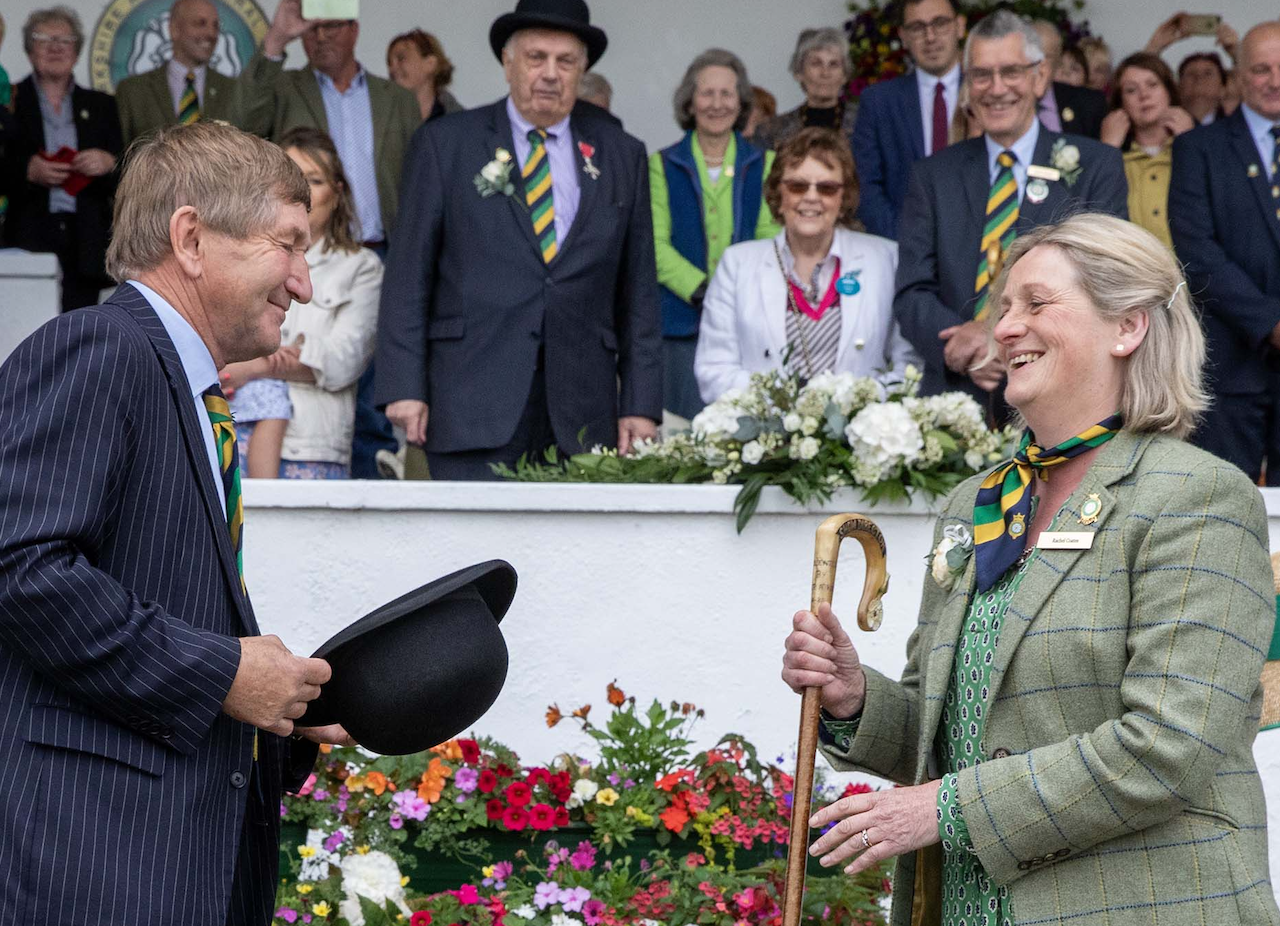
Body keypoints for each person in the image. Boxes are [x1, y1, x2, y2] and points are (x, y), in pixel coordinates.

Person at [783, 212, 1280, 926]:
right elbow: (946, 733)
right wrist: (854, 697)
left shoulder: (1196, 497)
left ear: (1127, 328)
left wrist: (945, 808)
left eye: (1036, 304)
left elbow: (1168, 749)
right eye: (1003, 309)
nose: (1005, 328)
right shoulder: (978, 502)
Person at [0, 120, 353, 926]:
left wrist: (283, 710)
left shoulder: (191, 392)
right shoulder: (99, 350)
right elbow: (18, 568)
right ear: (191, 237)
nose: (303, 283)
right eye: (288, 245)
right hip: (90, 870)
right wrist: (222, 673)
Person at [376, 0, 661, 480]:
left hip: (583, 414)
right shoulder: (446, 144)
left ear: (581, 70)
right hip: (470, 401)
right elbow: (408, 275)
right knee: (476, 553)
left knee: (575, 554)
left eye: (565, 61)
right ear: (508, 65)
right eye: (536, 58)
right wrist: (405, 385)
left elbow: (638, 290)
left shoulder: (620, 153)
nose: (550, 73)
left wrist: (640, 403)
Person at [894, 10, 1127, 407]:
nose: (996, 88)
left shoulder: (1095, 165)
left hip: (1060, 394)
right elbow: (912, 291)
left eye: (1011, 72)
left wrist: (998, 339)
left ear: (1039, 77)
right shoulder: (932, 175)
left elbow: (1102, 284)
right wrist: (962, 344)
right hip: (956, 399)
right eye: (981, 75)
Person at [238, 0, 418, 479]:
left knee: (374, 400)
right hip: (299, 245)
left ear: (355, 29)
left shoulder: (394, 98)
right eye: (312, 29)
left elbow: (419, 178)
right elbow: (237, 129)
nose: (320, 37)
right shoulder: (285, 85)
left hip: (383, 251)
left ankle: (367, 489)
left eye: (331, 26)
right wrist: (276, 40)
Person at [695, 127, 917, 400]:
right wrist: (791, 408)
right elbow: (714, 370)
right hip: (763, 435)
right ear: (778, 194)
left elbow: (910, 367)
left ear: (844, 198)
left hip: (861, 435)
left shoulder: (886, 259)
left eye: (826, 188)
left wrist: (852, 409)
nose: (811, 197)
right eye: (798, 186)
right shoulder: (737, 264)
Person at [223, 126, 382, 479]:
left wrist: (259, 366)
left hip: (311, 445)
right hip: (232, 431)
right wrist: (280, 360)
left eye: (313, 180)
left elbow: (343, 361)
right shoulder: (241, 256)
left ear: (338, 193)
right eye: (291, 180)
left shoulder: (361, 267)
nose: (302, 195)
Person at [1168, 21, 1280, 484]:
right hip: (1233, 369)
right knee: (1224, 512)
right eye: (1261, 69)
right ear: (1237, 75)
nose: (1275, 80)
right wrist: (1270, 323)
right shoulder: (1199, 148)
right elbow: (1197, 250)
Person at [652, 48, 779, 421]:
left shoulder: (766, 164)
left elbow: (770, 240)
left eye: (727, 94)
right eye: (707, 93)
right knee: (681, 434)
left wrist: (733, 295)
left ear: (741, 103)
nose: (717, 104)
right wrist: (702, 289)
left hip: (748, 326)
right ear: (690, 101)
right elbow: (655, 245)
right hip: (678, 329)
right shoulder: (660, 165)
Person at [4, 7, 121, 314]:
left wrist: (109, 162)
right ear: (29, 49)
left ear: (78, 50)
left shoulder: (102, 105)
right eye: (44, 38)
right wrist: (26, 170)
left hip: (86, 244)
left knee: (78, 339)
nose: (55, 47)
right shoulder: (9, 100)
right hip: (26, 239)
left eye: (65, 40)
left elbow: (128, 172)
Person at [852, 0, 966, 238]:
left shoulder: (987, 93)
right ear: (903, 36)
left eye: (940, 23)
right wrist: (905, 240)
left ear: (960, 26)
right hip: (902, 249)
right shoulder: (878, 101)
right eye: (917, 27)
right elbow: (865, 185)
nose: (930, 36)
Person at [1100, 53, 1194, 249]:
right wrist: (1106, 151)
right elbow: (1097, 221)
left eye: (1153, 85)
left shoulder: (1196, 147)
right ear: (1120, 104)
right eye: (1131, 90)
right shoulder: (1114, 159)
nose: (1144, 95)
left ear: (1169, 91)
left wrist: (1192, 144)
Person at [115, 0, 236, 147]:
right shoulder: (133, 90)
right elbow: (121, 156)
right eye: (200, 23)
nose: (211, 33)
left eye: (215, 26)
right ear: (174, 30)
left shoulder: (234, 90)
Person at [749, 28, 856, 153]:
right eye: (816, 63)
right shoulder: (770, 131)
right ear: (798, 73)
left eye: (833, 64)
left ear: (845, 75)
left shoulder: (865, 123)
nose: (825, 73)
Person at [1030, 19, 1107, 138]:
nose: (1039, 64)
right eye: (1031, 56)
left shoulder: (1090, 104)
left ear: (1057, 62)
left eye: (1047, 57)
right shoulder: (1000, 101)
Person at [386, 28, 463, 123]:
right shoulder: (381, 116)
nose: (392, 69)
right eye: (389, 63)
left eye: (401, 58)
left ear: (430, 64)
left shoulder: (459, 120)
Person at [1179, 52, 1231, 125]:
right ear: (1180, 87)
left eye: (1207, 73)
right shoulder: (1165, 128)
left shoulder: (1237, 126)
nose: (1199, 78)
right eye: (1191, 73)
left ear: (1223, 89)